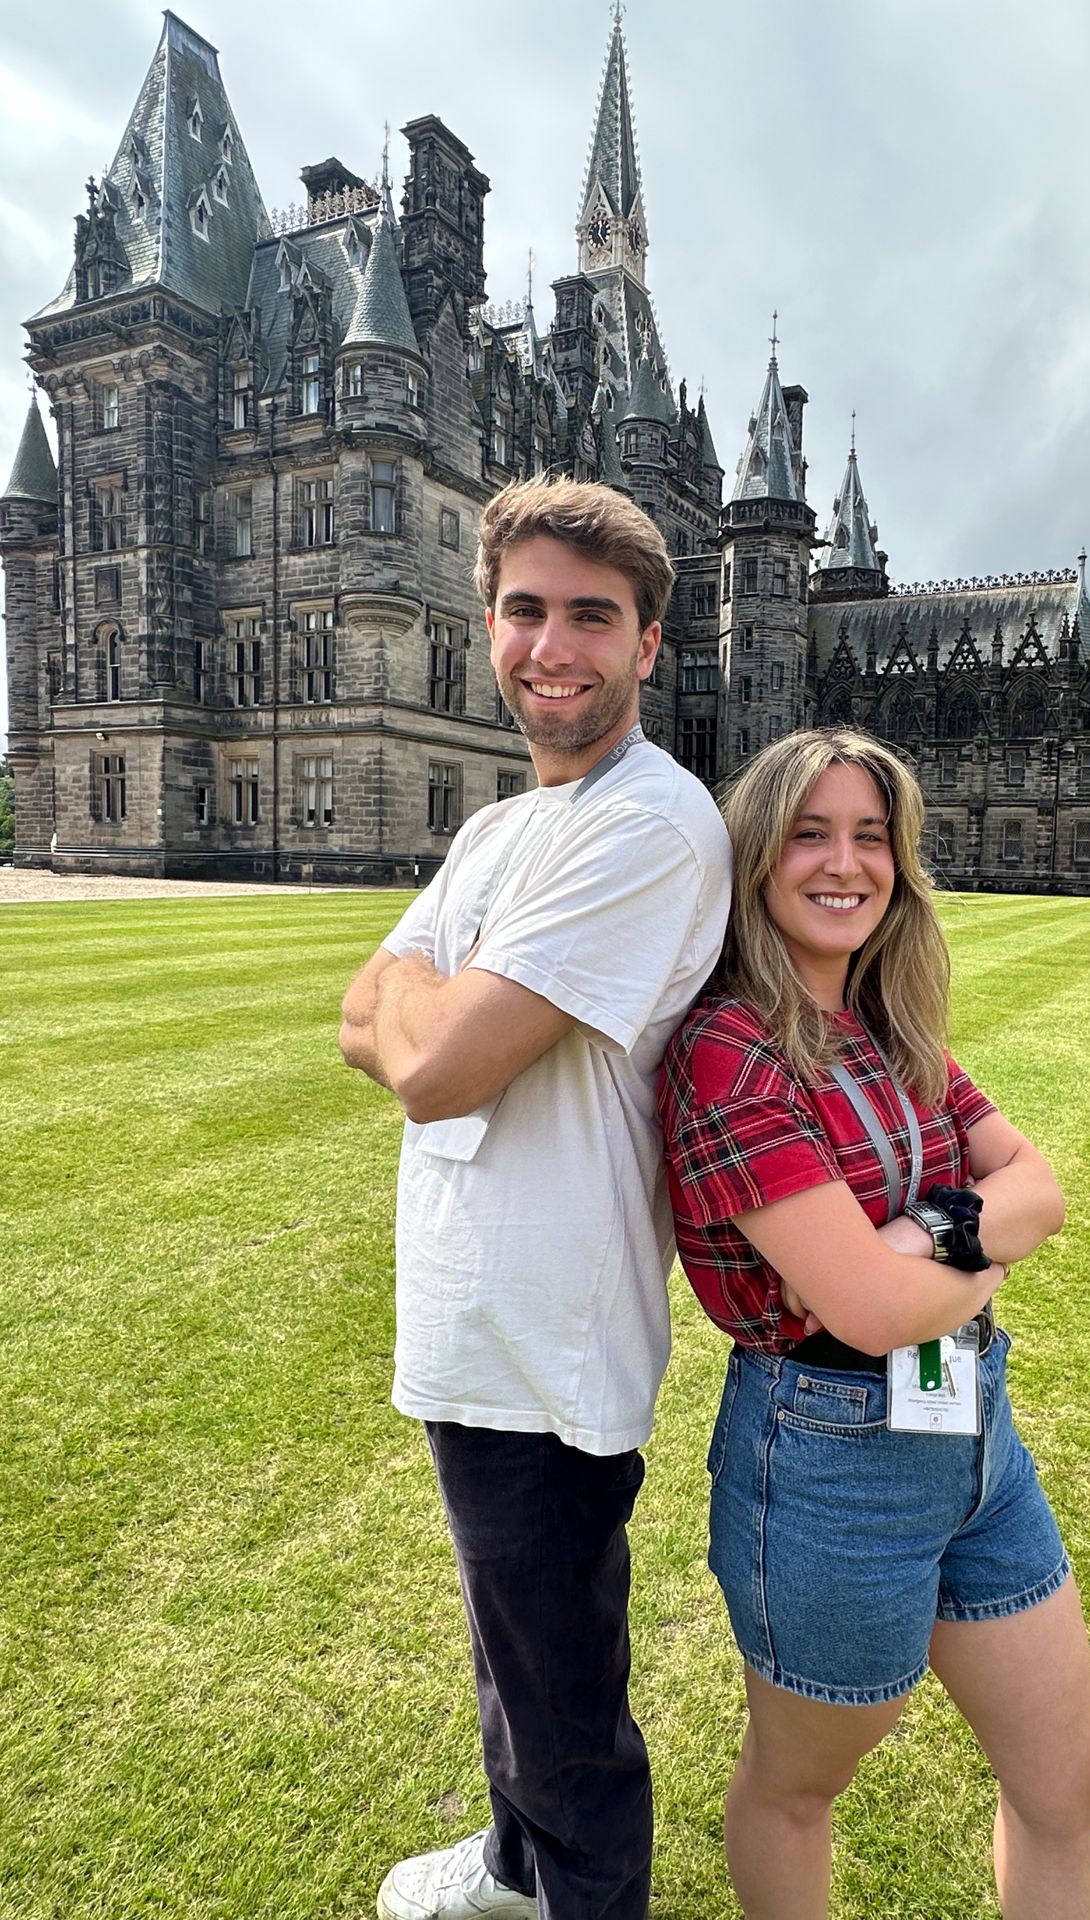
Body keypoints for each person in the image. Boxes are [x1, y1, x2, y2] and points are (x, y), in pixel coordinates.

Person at [339, 476, 731, 1920]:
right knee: (512, 1644)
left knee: (563, 1695)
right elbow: (360, 1010)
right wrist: (424, 1003)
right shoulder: (502, 830)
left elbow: (433, 1065)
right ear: (488, 624)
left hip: (551, 1333)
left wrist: (429, 1001)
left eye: (591, 616)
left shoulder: (652, 823)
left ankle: (569, 1888)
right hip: (473, 1314)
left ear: (648, 646)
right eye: (524, 610)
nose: (550, 646)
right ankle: (515, 1869)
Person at [658, 728, 1090, 1920]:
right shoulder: (729, 1051)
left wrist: (922, 1239)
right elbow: (867, 1312)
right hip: (829, 1458)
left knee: (1070, 1778)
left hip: (973, 1432)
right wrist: (970, 1253)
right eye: (810, 834)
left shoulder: (890, 1026)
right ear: (758, 856)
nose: (845, 863)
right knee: (798, 1786)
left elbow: (1041, 1188)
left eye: (872, 836)